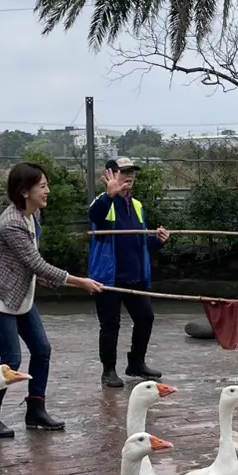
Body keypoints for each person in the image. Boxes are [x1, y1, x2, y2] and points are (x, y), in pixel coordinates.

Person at [0, 163, 103, 437]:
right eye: (42, 186)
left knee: (42, 349)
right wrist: (81, 282)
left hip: (20, 295)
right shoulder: (11, 224)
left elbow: (29, 264)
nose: (48, 191)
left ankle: (35, 410)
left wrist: (43, 280)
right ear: (24, 191)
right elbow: (36, 263)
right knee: (11, 358)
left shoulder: (34, 215)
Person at [88, 157, 171, 389]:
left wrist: (158, 242)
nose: (129, 176)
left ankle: (136, 363)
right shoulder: (103, 202)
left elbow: (140, 242)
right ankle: (109, 371)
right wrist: (109, 195)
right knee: (110, 325)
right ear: (111, 175)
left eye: (132, 172)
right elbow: (94, 216)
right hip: (108, 277)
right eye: (124, 172)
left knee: (146, 318)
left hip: (136, 277)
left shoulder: (136, 205)